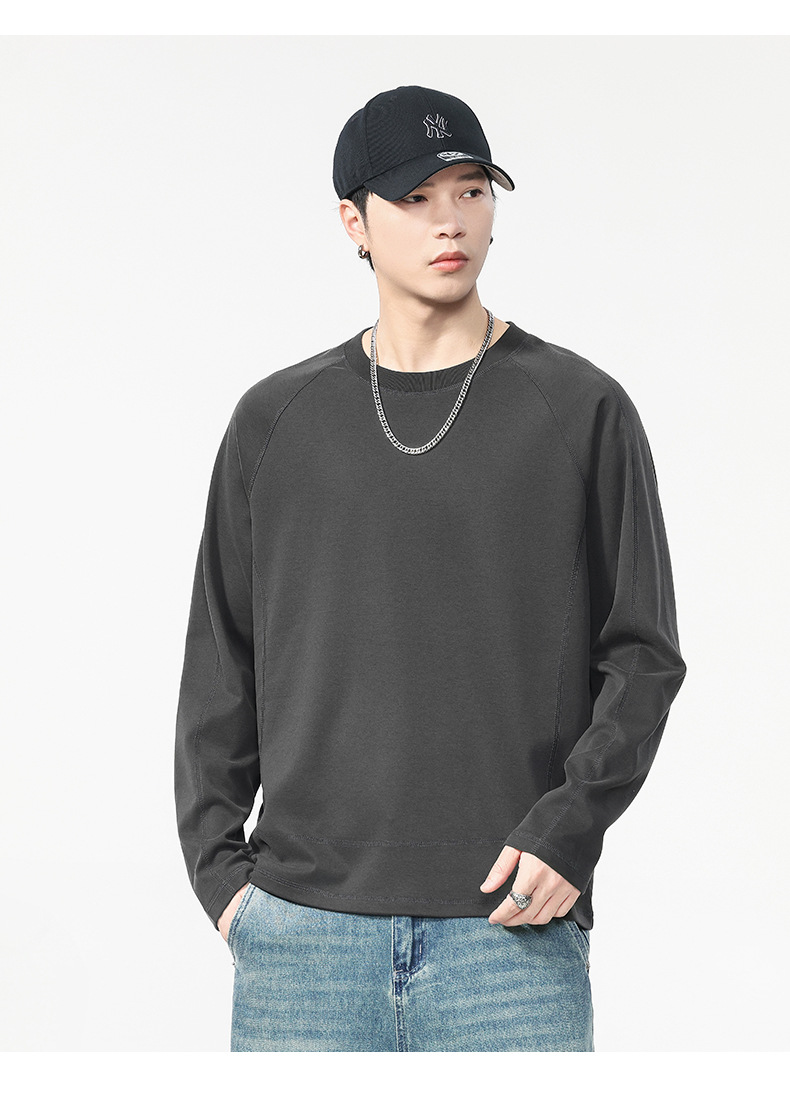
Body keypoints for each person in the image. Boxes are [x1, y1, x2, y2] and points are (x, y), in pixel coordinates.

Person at [174, 85, 687, 1053]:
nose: (449, 220)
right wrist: (223, 880)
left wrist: (569, 828)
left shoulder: (581, 409)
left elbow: (642, 653)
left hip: (510, 933)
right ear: (353, 223)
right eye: (413, 198)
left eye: (470, 190)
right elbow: (222, 657)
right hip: (302, 938)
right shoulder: (274, 421)